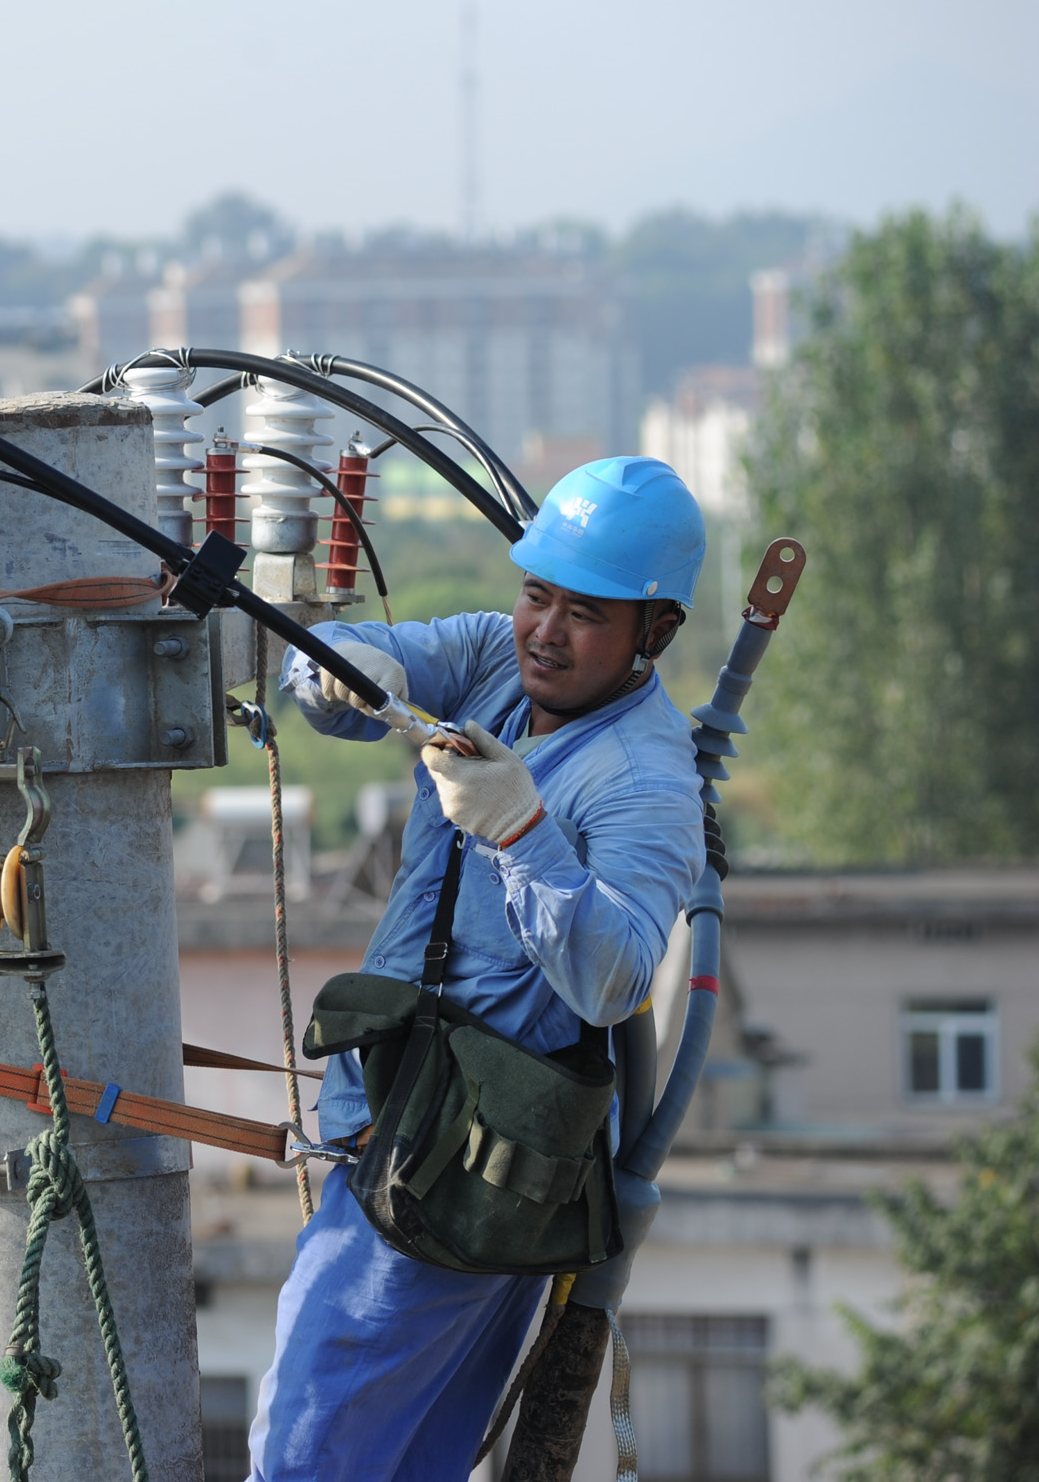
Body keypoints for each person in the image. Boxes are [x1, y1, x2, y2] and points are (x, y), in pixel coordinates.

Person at [247, 456, 710, 1480]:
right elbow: (359, 666)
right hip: (404, 1132)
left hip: (461, 1173)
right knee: (408, 1461)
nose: (545, 629)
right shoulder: (496, 662)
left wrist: (523, 832)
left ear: (656, 633)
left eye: (585, 613)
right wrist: (342, 665)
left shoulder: (643, 779)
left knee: (305, 1454)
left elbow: (616, 978)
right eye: (537, 594)